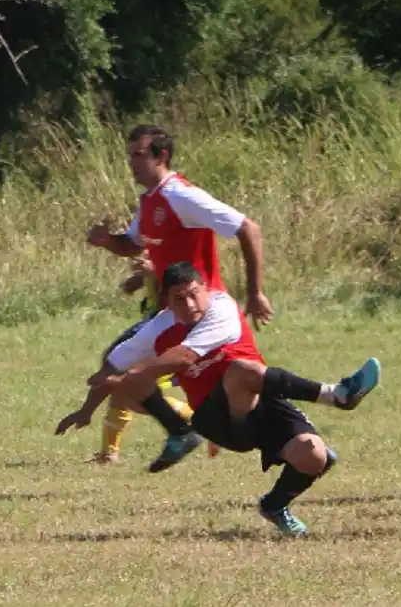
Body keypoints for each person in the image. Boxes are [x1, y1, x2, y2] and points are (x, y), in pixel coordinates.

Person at [56, 261, 381, 537]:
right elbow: (110, 366)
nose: (190, 304)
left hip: (259, 400)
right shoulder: (156, 330)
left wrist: (136, 374)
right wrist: (86, 410)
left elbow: (184, 357)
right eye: (179, 298)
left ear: (205, 289)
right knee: (240, 370)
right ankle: (336, 395)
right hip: (216, 420)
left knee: (314, 455)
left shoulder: (222, 307)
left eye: (194, 294)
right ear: (167, 301)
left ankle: (274, 505)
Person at [85, 124, 272, 471]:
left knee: (126, 371)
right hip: (172, 312)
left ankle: (186, 429)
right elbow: (132, 244)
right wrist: (107, 240)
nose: (132, 163)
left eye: (139, 155)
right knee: (128, 373)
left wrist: (255, 292)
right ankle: (190, 429)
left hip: (199, 311)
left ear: (162, 156)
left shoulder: (181, 196)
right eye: (130, 155)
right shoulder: (150, 200)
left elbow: (248, 228)